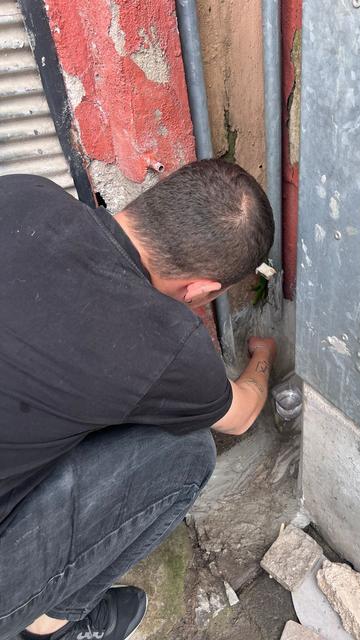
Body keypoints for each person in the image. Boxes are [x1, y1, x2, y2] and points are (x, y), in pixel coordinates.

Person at [0, 159, 277, 640]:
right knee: (189, 452)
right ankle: (53, 625)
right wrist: (263, 355)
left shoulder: (25, 193)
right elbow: (241, 414)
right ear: (201, 289)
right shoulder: (165, 343)